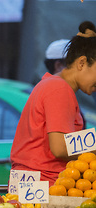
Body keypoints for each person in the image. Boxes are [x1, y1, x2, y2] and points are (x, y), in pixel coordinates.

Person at [10, 21, 96, 186]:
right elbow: (60, 148)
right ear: (82, 63)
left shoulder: (53, 85)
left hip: (37, 185)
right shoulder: (58, 88)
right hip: (44, 188)